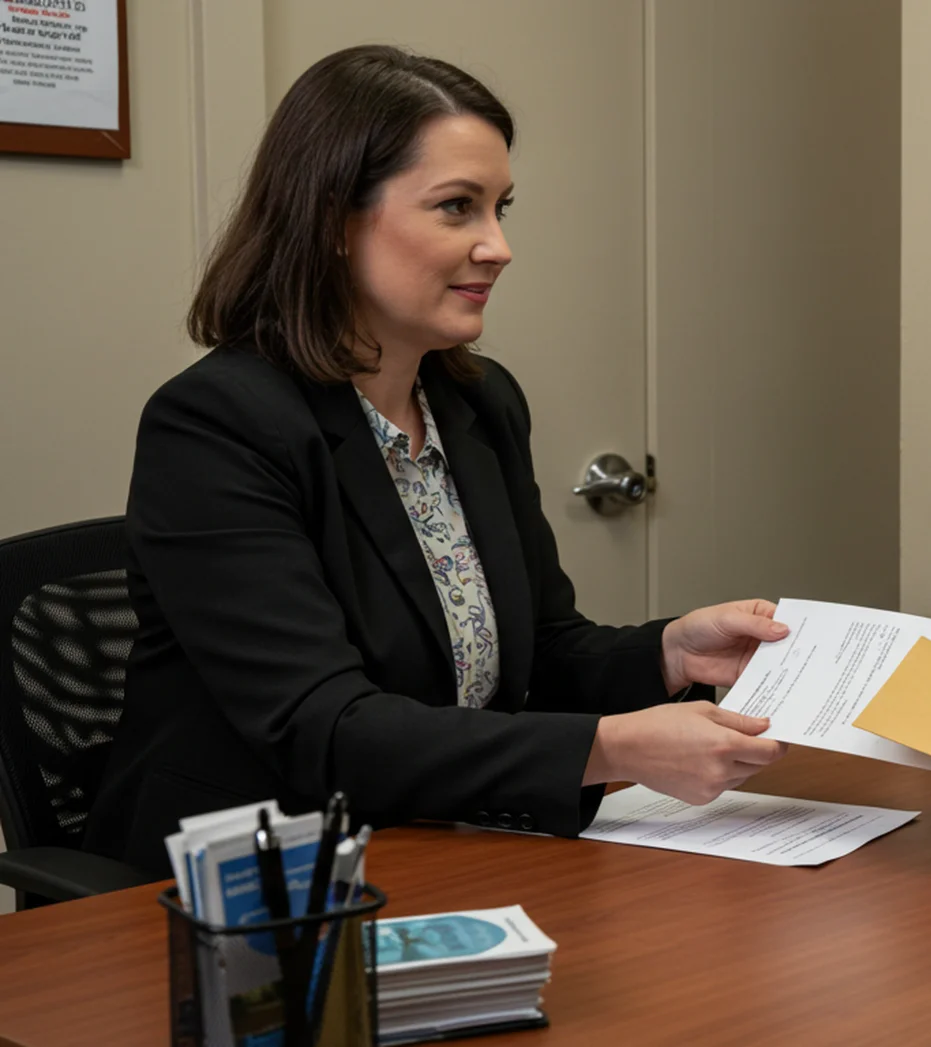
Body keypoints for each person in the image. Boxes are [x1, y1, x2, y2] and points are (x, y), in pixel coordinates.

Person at [85, 46, 788, 878]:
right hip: (253, 882)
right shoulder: (217, 424)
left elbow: (544, 649)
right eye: (458, 208)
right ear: (333, 222)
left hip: (441, 842)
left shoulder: (478, 403)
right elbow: (326, 727)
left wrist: (671, 651)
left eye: (501, 208)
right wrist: (606, 747)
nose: (498, 246)